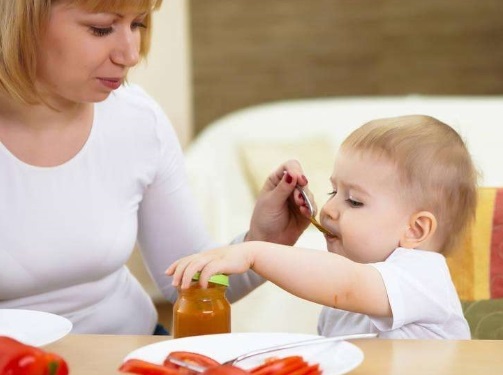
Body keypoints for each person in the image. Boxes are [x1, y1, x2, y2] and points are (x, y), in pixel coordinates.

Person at [0, 0, 311, 334]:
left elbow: (186, 282)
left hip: (132, 349)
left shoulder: (137, 119)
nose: (130, 55)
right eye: (101, 28)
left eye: (138, 24)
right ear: (18, 23)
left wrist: (262, 241)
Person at [167, 115, 478, 339]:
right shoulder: (339, 310)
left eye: (354, 201)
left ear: (416, 230)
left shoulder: (423, 276)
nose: (329, 209)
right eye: (333, 192)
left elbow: (346, 285)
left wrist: (254, 253)